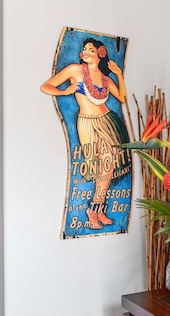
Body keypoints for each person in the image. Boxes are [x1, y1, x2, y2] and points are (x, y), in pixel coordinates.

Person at [41, 37, 130, 229]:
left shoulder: (106, 79)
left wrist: (119, 75)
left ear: (100, 53)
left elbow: (122, 97)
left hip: (108, 120)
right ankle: (94, 210)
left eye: (90, 50)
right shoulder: (75, 70)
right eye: (84, 50)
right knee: (101, 168)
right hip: (87, 123)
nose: (85, 53)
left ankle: (96, 210)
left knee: (108, 167)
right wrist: (66, 92)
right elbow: (46, 86)